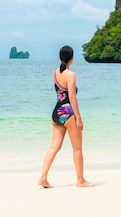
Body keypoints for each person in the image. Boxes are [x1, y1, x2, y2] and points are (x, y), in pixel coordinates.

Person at [38, 45, 93, 188]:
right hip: (68, 112)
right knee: (77, 148)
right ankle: (80, 180)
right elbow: (72, 97)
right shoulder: (71, 75)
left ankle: (42, 177)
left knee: (53, 147)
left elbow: (61, 94)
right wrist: (79, 118)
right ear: (72, 58)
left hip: (56, 113)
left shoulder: (55, 73)